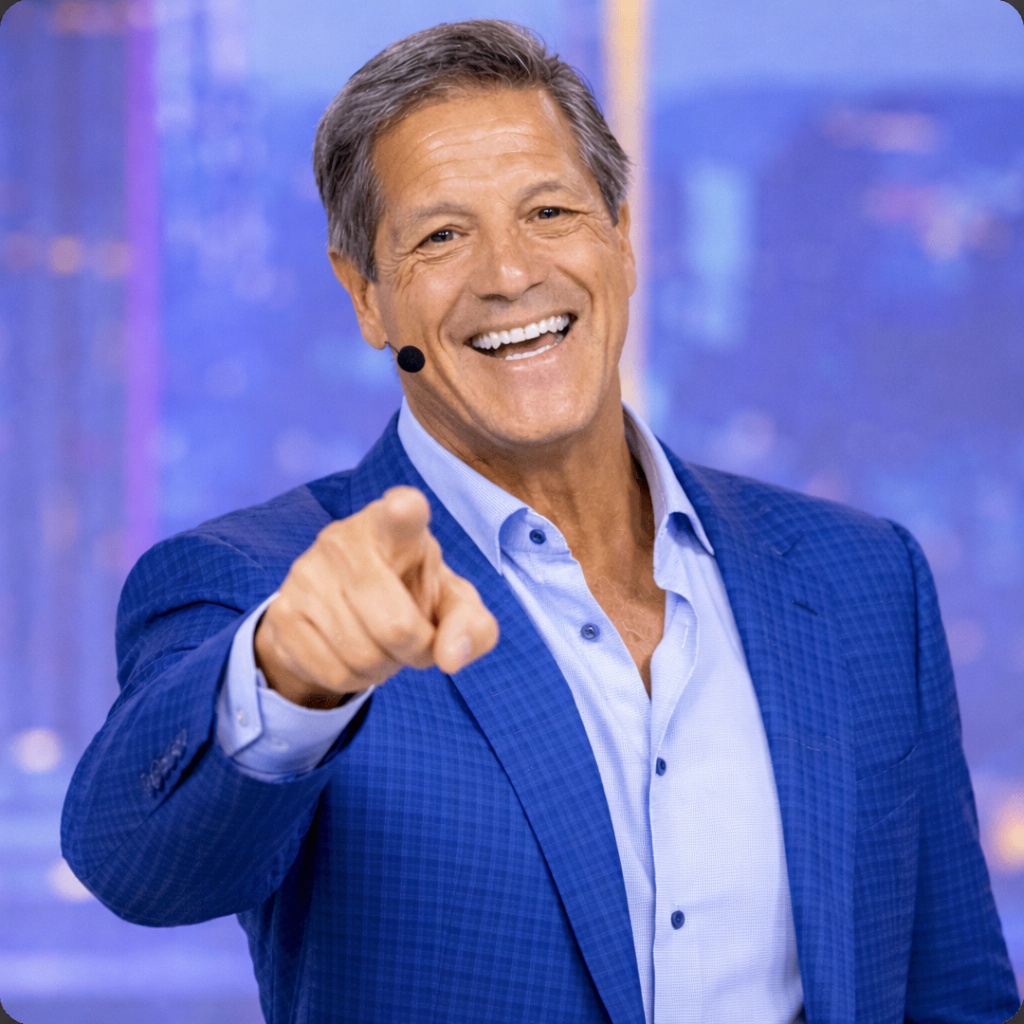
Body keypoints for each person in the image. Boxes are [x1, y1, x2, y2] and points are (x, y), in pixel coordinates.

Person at [61, 20, 1019, 1024]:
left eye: (549, 212)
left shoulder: (866, 577)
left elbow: (951, 990)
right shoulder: (255, 583)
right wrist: (294, 675)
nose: (509, 273)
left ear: (621, 238)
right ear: (367, 298)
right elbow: (140, 868)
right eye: (439, 235)